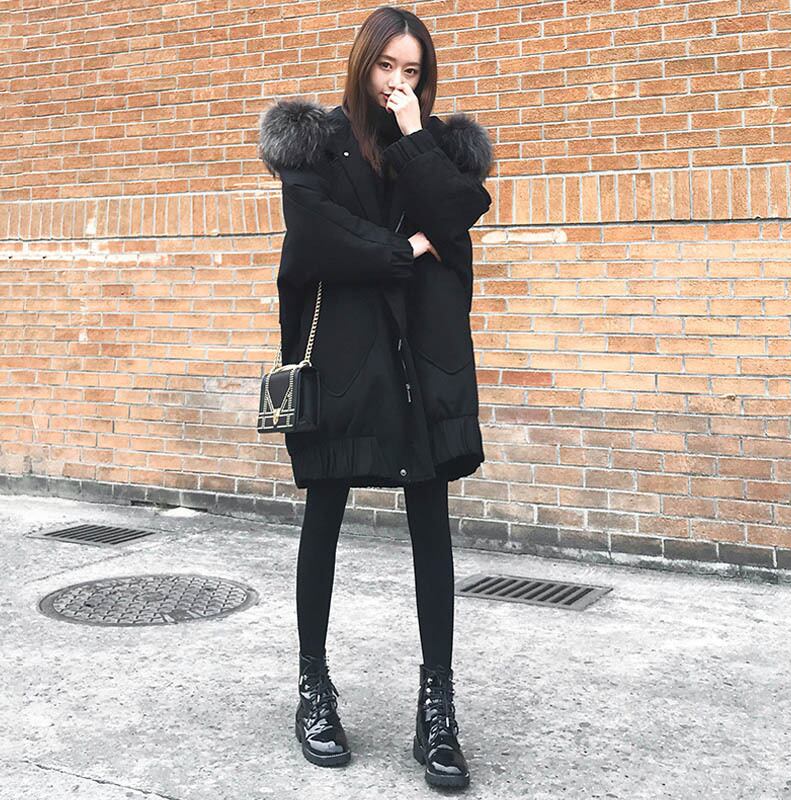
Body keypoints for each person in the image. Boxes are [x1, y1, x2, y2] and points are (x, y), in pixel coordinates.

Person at [258, 5, 493, 790]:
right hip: (342, 361)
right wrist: (406, 249)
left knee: (431, 525)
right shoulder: (316, 143)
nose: (397, 81)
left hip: (418, 364)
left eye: (412, 71)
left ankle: (438, 708)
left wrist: (415, 134)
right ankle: (313, 690)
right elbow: (315, 237)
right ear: (363, 64)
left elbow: (458, 214)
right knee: (323, 517)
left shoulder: (432, 150)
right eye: (387, 66)